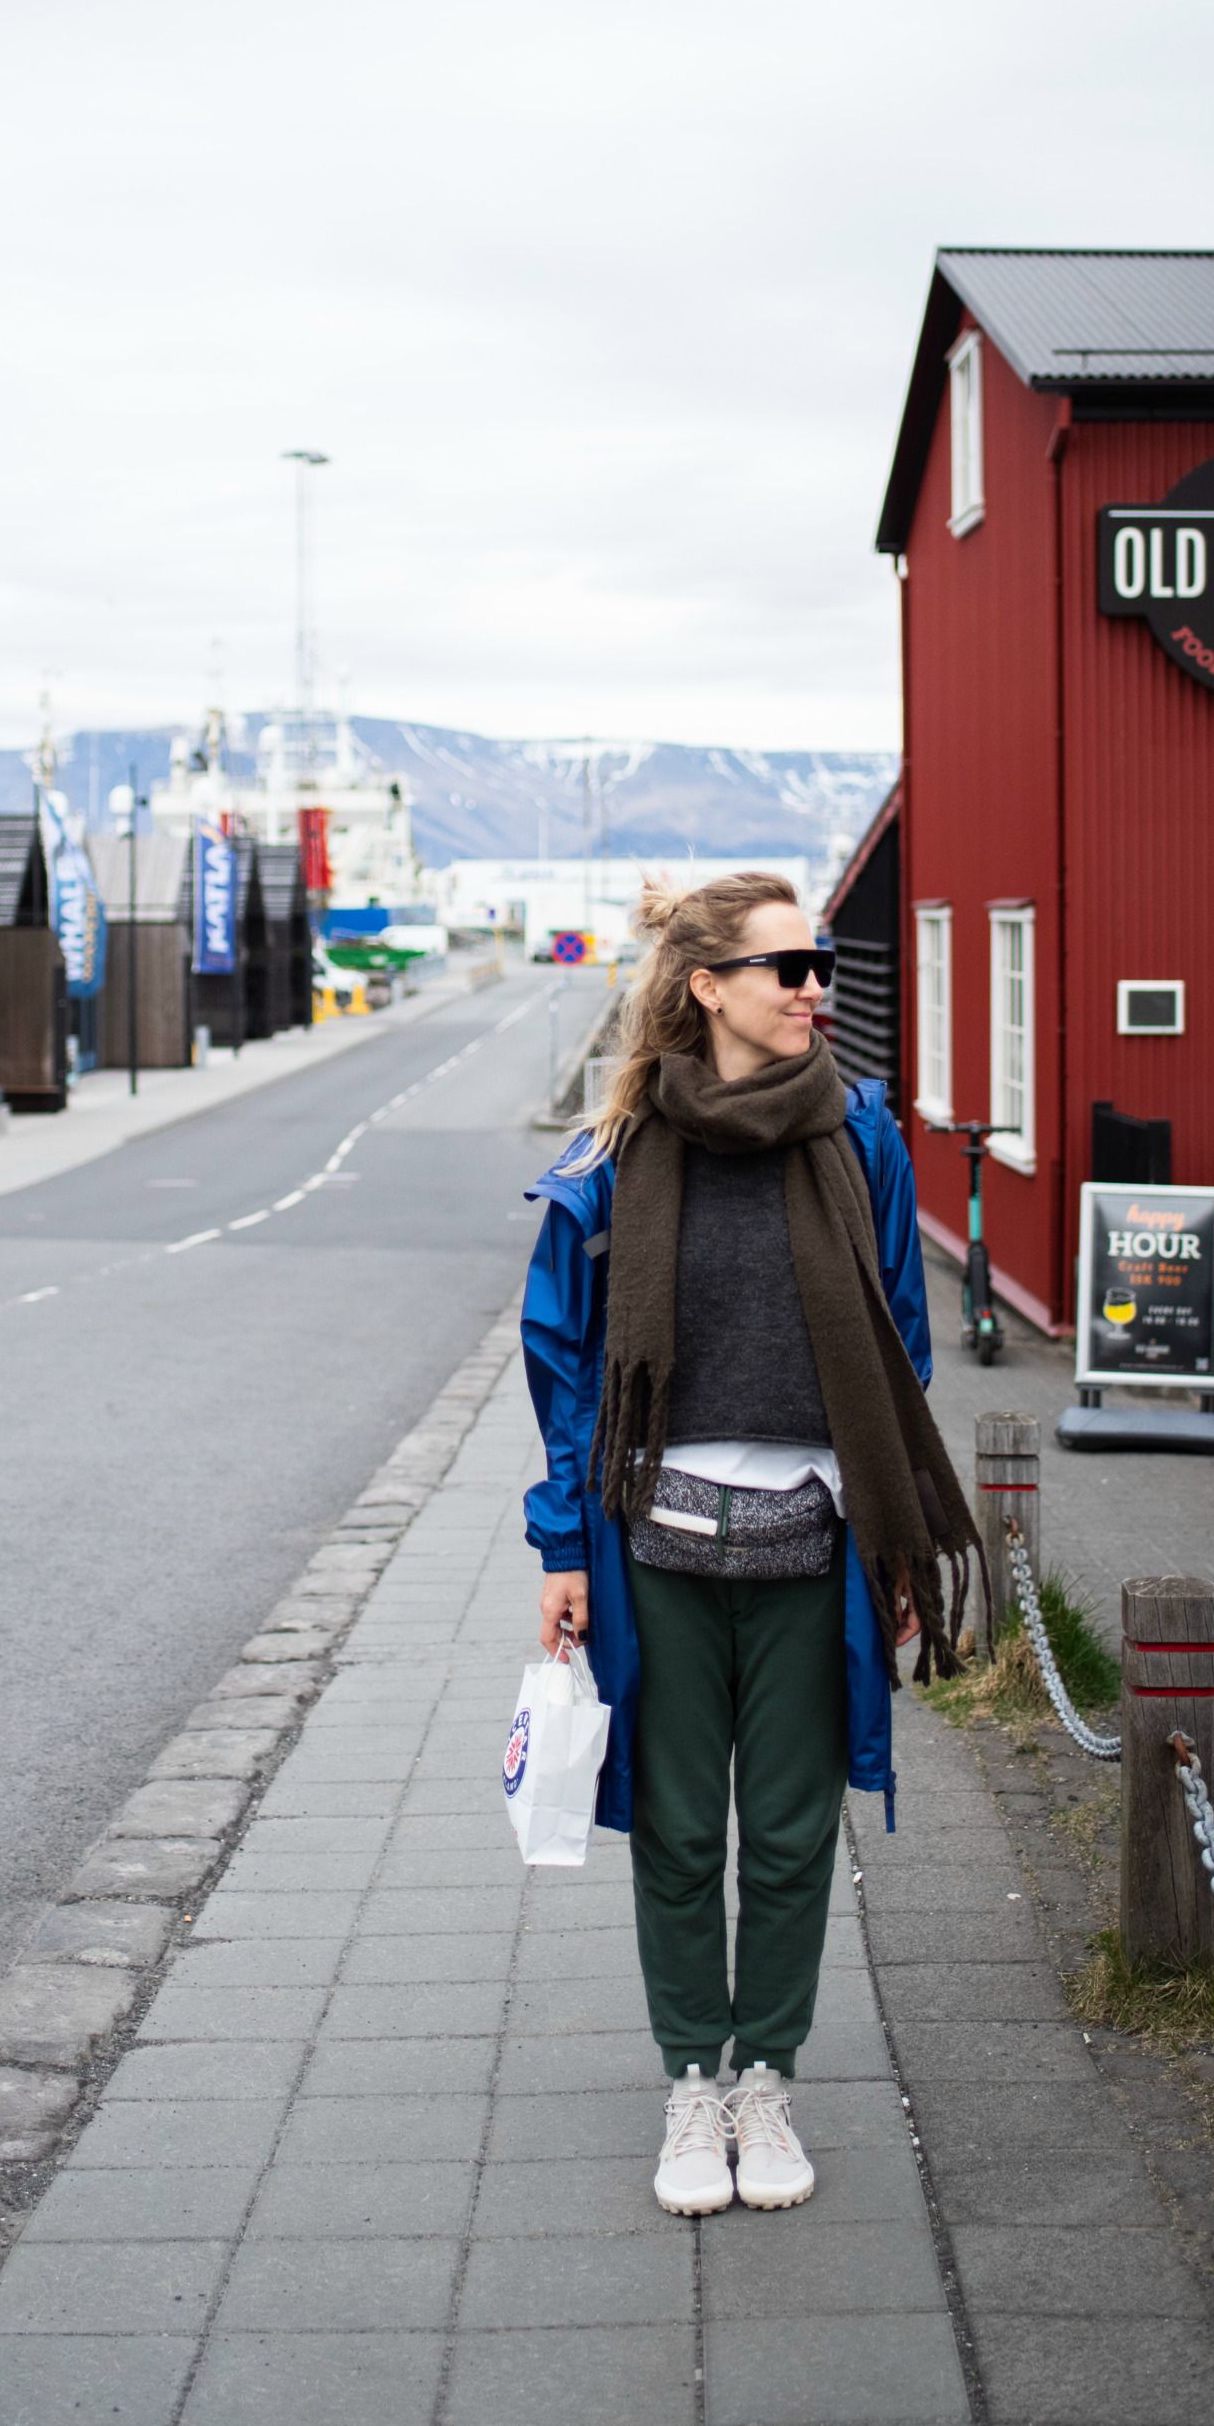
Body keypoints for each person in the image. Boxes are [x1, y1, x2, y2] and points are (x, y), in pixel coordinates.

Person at [521, 872, 979, 2216]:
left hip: (810, 1553)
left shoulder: (862, 1138)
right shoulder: (615, 1158)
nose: (812, 985)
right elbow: (564, 1370)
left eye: (819, 962)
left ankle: (764, 2077)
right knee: (677, 1837)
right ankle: (690, 2084)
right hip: (651, 1555)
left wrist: (895, 1538)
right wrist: (560, 1550)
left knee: (786, 1835)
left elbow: (900, 1341)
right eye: (783, 966)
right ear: (707, 984)